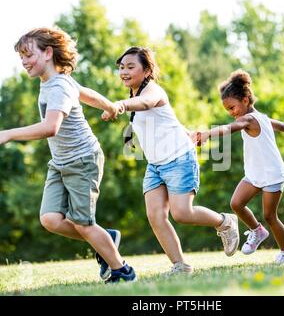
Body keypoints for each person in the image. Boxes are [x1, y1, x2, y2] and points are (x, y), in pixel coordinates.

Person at [0, 27, 136, 283]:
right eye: (21, 57)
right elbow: (86, 93)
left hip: (83, 160)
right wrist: (109, 105)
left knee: (83, 223)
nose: (24, 62)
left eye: (28, 55)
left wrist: (9, 133)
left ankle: (122, 271)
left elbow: (50, 127)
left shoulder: (59, 86)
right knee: (50, 219)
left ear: (48, 52)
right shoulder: (55, 83)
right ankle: (104, 237)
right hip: (60, 163)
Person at [102, 46, 240, 274]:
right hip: (156, 165)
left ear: (146, 71)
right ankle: (181, 265)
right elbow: (162, 120)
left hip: (179, 158)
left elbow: (147, 104)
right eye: (121, 68)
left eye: (130, 67)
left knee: (182, 213)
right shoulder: (133, 95)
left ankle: (224, 222)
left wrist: (119, 105)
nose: (124, 72)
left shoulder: (153, 91)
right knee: (155, 216)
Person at [195, 70, 284, 263]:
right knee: (236, 203)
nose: (231, 113)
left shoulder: (250, 119)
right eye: (228, 110)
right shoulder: (260, 118)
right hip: (254, 174)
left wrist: (208, 133)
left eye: (232, 107)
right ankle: (257, 231)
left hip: (272, 174)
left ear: (245, 100)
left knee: (270, 216)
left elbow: (230, 128)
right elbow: (280, 125)